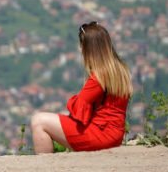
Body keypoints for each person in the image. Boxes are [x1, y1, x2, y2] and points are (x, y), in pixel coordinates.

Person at [31, 21, 132, 153]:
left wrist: (72, 100)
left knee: (39, 121)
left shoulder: (99, 76)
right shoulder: (120, 70)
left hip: (100, 135)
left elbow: (79, 107)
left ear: (88, 49)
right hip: (114, 135)